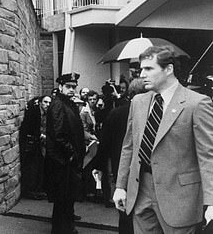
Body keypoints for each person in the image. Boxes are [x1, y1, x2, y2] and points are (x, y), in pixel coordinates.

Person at [113, 45, 213, 233]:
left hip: (180, 199)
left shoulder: (197, 103)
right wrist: (121, 186)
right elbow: (129, 147)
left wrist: (211, 202)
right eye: (141, 69)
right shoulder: (138, 102)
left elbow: (208, 156)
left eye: (149, 69)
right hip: (141, 194)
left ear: (168, 69)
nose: (142, 74)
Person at [93, 78, 146, 234]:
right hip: (144, 170)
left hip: (121, 168)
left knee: (125, 212)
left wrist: (99, 166)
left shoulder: (116, 113)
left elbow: (105, 143)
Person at [46, 72, 85, 234]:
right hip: (62, 161)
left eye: (74, 87)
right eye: (68, 87)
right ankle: (62, 230)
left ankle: (67, 228)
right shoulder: (58, 104)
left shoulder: (68, 103)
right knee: (62, 200)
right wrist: (72, 153)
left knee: (67, 199)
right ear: (60, 87)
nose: (71, 90)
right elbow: (58, 134)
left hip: (67, 159)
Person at [19, 95, 51, 200]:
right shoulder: (33, 113)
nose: (47, 105)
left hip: (40, 144)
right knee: (32, 167)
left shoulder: (47, 115)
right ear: (41, 102)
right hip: (32, 144)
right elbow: (28, 128)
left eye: (49, 103)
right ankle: (31, 191)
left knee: (39, 166)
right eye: (45, 102)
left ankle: (37, 189)